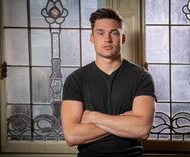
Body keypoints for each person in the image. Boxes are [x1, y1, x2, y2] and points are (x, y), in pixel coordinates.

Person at [61, 8, 156, 157]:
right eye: (100, 33)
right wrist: (124, 120)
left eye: (114, 33)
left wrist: (93, 117)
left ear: (122, 38)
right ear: (92, 38)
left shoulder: (141, 77)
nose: (108, 39)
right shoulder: (76, 79)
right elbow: (72, 136)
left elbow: (142, 129)